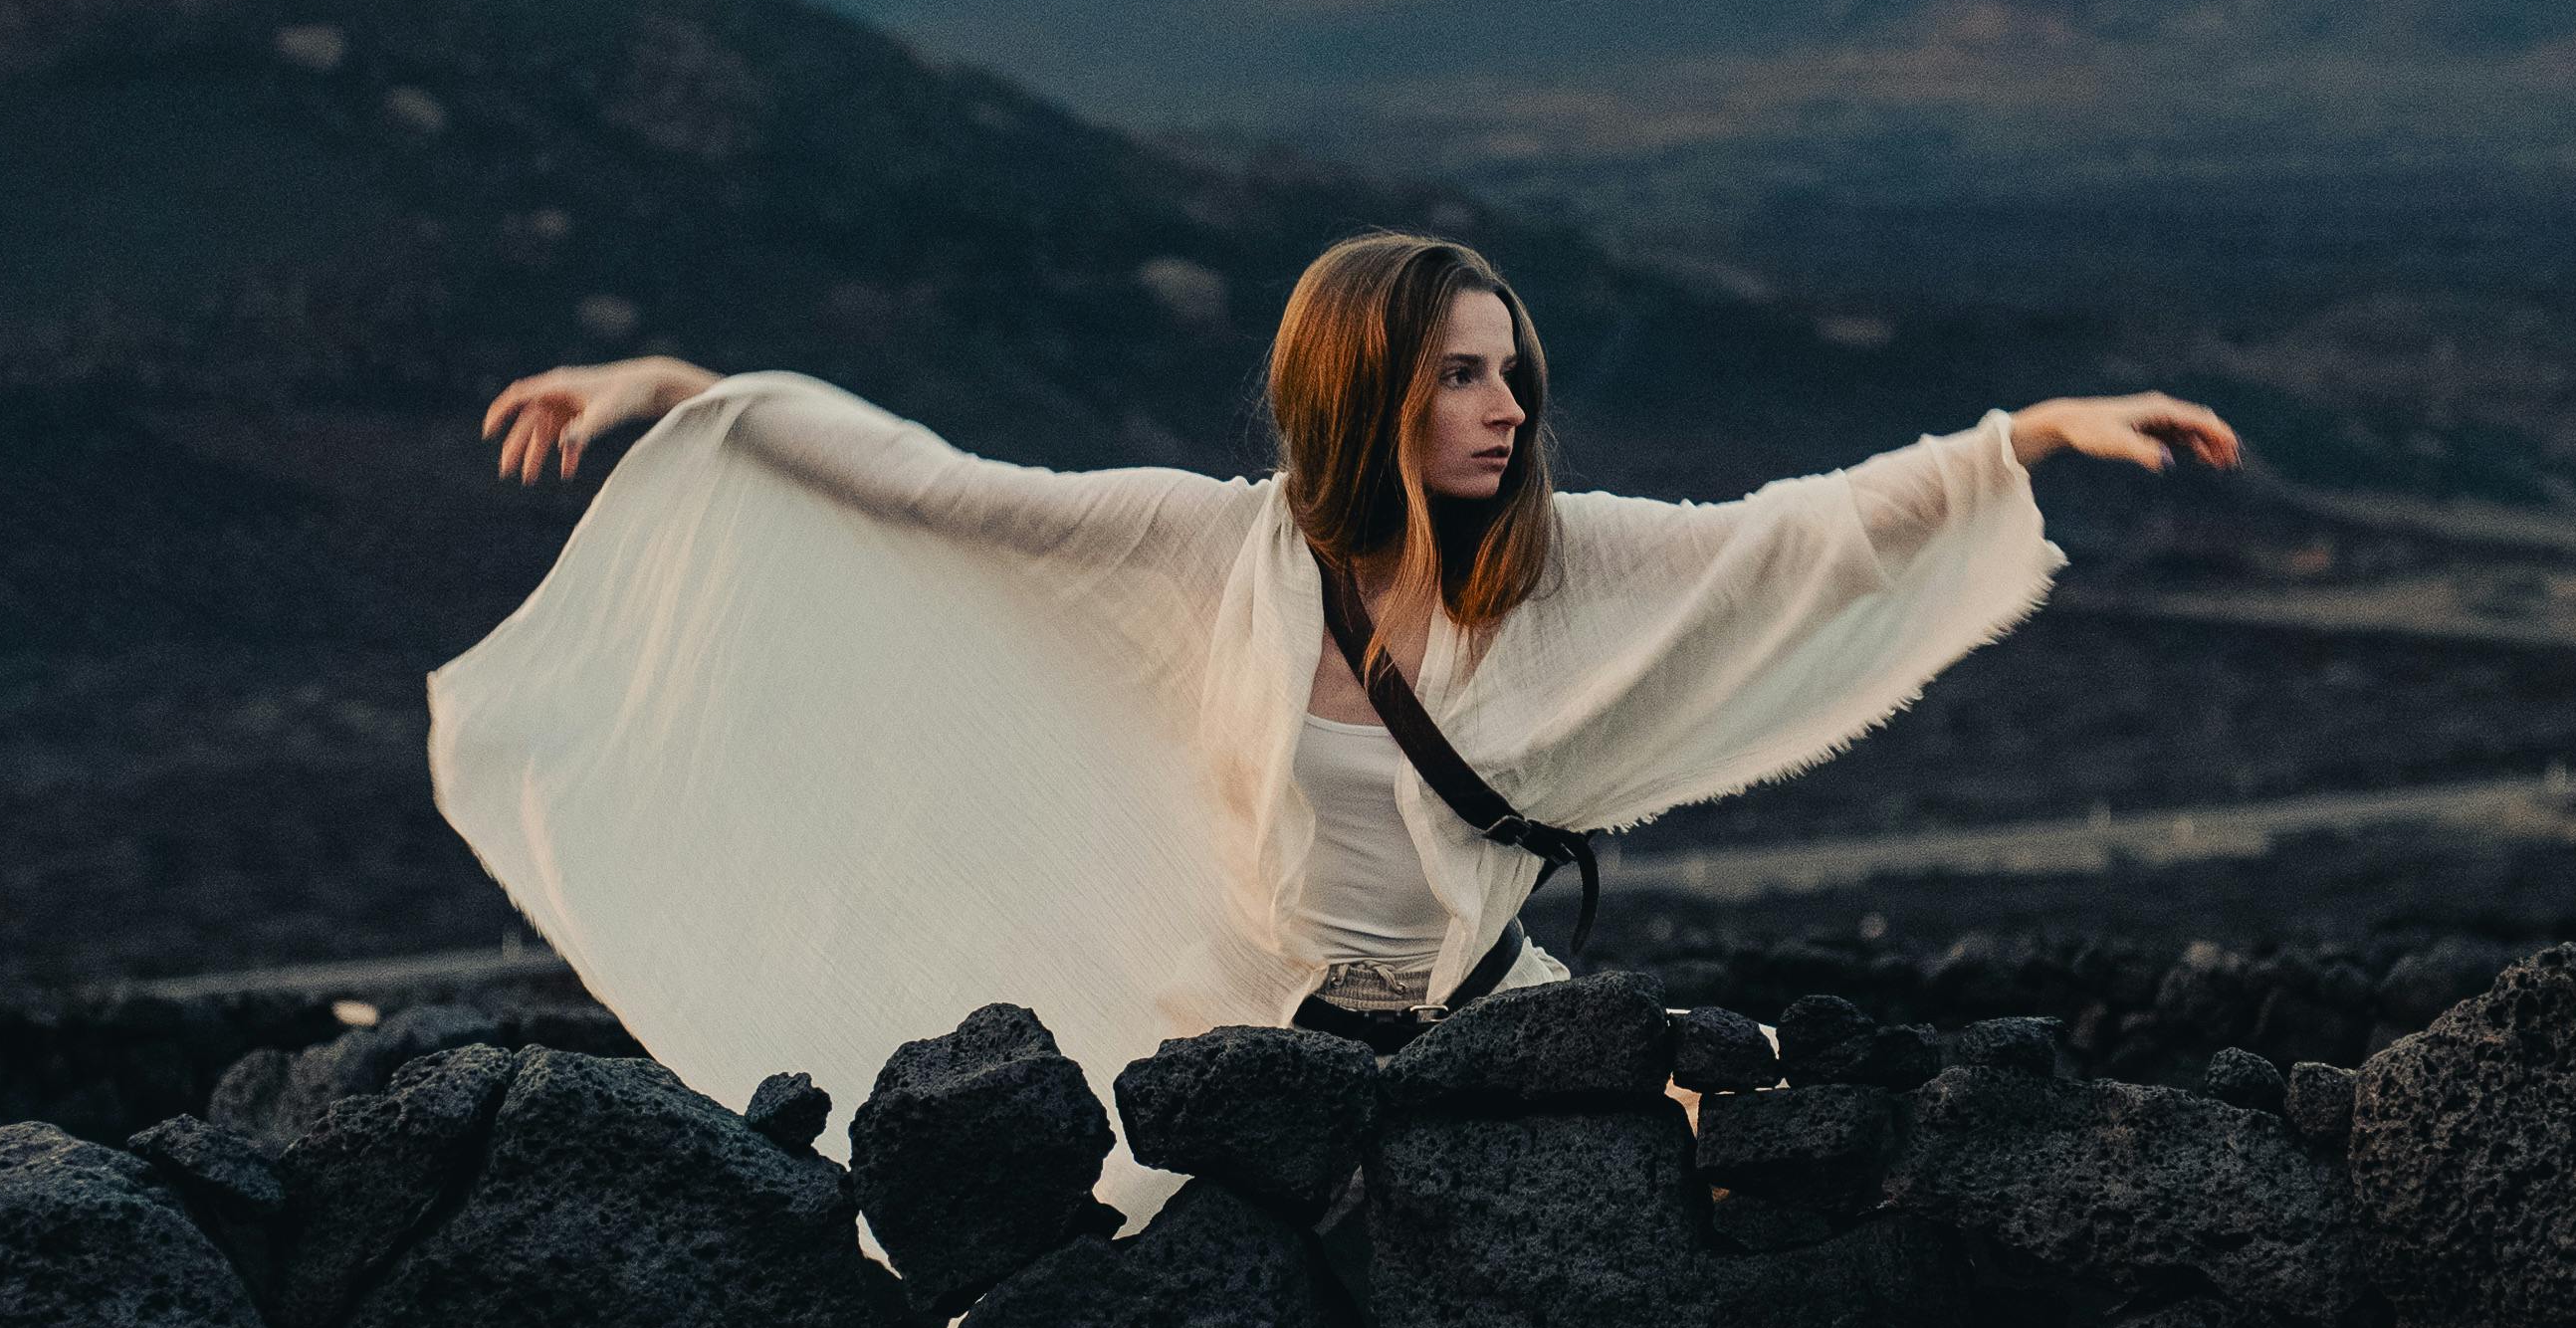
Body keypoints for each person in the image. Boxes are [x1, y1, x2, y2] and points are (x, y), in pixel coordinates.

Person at [433, 231, 2234, 1182]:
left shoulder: (1560, 560)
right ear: (1360, 382)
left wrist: (2027, 442)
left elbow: (1792, 538)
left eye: (1513, 374)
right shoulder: (1196, 548)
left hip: (1472, 1022)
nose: (1504, 408)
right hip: (1241, 1044)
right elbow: (930, 485)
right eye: (1459, 376)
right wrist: (684, 390)